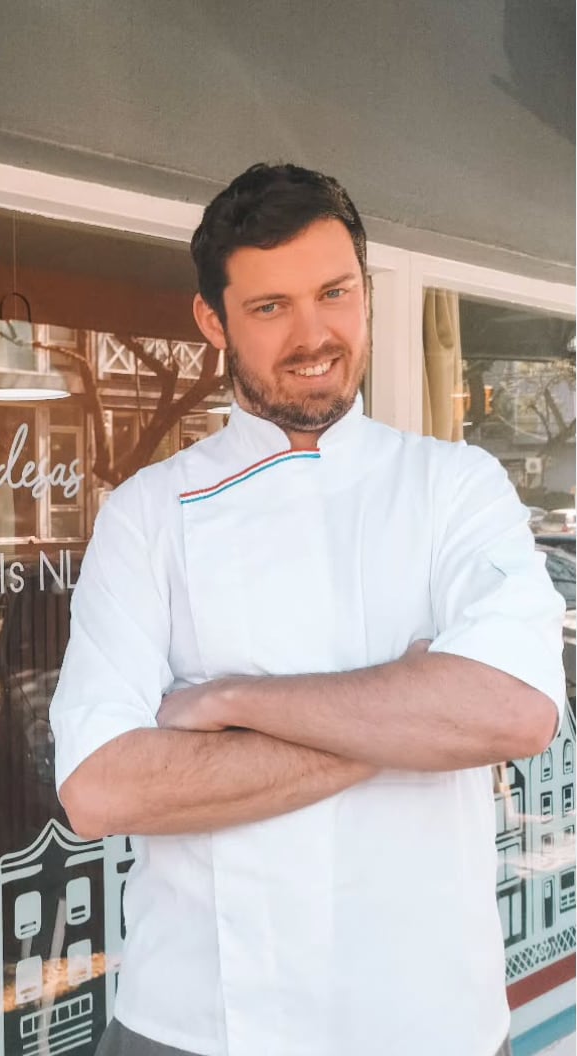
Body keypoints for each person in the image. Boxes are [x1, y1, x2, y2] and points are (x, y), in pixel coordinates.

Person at [50, 164, 565, 1056]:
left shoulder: (454, 486)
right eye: (270, 307)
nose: (315, 334)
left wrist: (233, 702)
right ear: (213, 321)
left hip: (429, 1017)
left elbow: (513, 711)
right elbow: (101, 787)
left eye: (335, 293)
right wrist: (410, 714)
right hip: (197, 1022)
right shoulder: (148, 513)